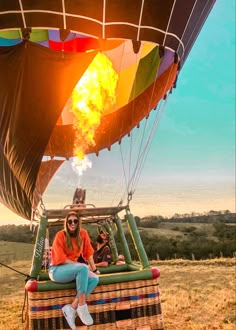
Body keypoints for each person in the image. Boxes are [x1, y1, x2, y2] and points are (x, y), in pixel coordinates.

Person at [49, 211, 99, 329]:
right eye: (70, 221)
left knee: (95, 279)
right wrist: (80, 266)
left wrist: (94, 269)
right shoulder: (60, 235)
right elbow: (61, 259)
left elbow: (89, 253)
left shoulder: (83, 234)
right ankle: (82, 306)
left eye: (75, 221)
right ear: (66, 223)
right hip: (57, 270)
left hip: (74, 269)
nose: (72, 223)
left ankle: (71, 309)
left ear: (78, 222)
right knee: (82, 268)